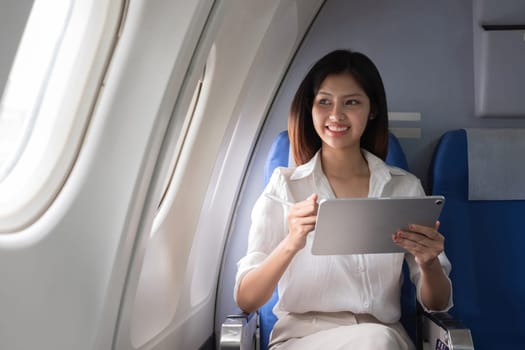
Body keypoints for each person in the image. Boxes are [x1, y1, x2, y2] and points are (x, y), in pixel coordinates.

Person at [234, 49, 453, 350]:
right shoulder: (284, 187)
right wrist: (291, 242)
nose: (336, 115)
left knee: (377, 341)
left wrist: (429, 264)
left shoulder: (403, 188)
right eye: (324, 102)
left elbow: (437, 305)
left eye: (351, 102)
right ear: (310, 109)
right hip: (301, 339)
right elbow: (246, 299)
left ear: (372, 109)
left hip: (383, 337)